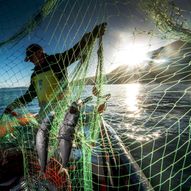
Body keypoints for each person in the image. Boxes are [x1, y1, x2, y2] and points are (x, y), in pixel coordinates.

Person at [3, 23, 107, 119]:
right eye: (29, 59)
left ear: (39, 53)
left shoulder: (56, 61)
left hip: (62, 110)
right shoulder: (34, 74)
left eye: (31, 57)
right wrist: (12, 106)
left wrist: (91, 36)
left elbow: (74, 52)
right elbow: (29, 96)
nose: (31, 61)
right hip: (44, 112)